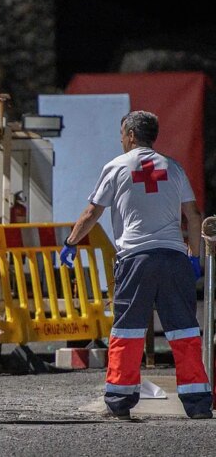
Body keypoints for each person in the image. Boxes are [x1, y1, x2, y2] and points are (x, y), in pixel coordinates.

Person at [60, 110, 212, 420]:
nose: (120, 140)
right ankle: (197, 403)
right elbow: (194, 216)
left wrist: (71, 243)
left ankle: (119, 401)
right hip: (173, 258)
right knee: (184, 330)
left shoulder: (116, 167)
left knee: (127, 331)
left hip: (135, 260)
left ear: (130, 135)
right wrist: (193, 257)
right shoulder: (174, 168)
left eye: (121, 135)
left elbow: (92, 213)